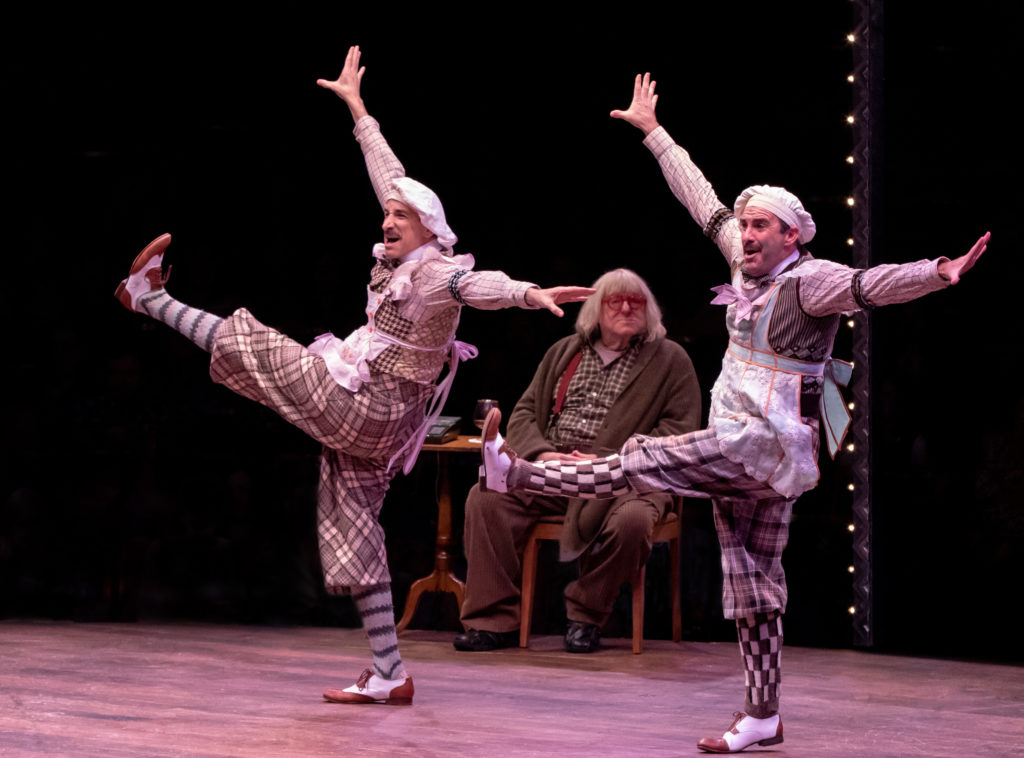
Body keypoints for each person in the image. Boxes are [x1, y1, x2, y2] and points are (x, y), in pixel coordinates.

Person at [478, 73, 989, 752]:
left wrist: (938, 271)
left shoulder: (812, 281)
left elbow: (872, 284)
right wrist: (655, 134)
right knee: (753, 581)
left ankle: (519, 478)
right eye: (745, 224)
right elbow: (700, 200)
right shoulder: (742, 263)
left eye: (760, 226)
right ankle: (762, 715)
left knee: (645, 458)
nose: (746, 233)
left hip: (770, 444)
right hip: (740, 445)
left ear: (791, 235)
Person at [113, 45, 593, 707]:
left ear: (430, 229)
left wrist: (526, 292)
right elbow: (388, 174)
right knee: (357, 524)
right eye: (388, 215)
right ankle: (391, 672)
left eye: (402, 216)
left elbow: (474, 283)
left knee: (259, 349)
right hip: (374, 415)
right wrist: (360, 110)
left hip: (369, 407)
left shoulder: (434, 271)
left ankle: (150, 301)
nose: (389, 219)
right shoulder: (404, 255)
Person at [455, 269, 701, 654]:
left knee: (634, 522)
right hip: (555, 469)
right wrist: (542, 453)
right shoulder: (566, 351)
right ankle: (493, 621)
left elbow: (679, 431)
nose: (625, 307)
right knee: (485, 497)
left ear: (649, 310)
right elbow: (523, 413)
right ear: (595, 310)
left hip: (624, 477)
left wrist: (610, 459)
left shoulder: (670, 360)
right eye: (614, 300)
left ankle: (586, 614)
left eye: (635, 301)